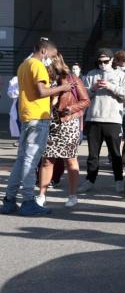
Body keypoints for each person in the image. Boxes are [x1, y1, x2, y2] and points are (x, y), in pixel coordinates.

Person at [2, 38, 72, 215]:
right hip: (37, 117)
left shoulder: (23, 65)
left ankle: (9, 200)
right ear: (43, 51)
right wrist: (62, 88)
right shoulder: (38, 65)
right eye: (52, 55)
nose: (52, 59)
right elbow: (42, 91)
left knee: (21, 159)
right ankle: (28, 201)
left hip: (26, 115)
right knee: (31, 160)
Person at [77, 49, 125, 195]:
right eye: (100, 62)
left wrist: (111, 86)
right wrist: (94, 89)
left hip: (113, 119)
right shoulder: (91, 74)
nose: (103, 64)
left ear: (112, 60)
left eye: (106, 61)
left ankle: (119, 180)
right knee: (92, 154)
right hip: (93, 119)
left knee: (115, 153)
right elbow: (82, 95)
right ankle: (89, 180)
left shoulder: (121, 74)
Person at [36, 54, 89, 208]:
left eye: (48, 63)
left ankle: (73, 195)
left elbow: (85, 100)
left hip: (68, 123)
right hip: (48, 122)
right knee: (47, 160)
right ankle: (41, 195)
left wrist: (70, 109)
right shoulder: (43, 79)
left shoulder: (72, 79)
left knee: (70, 160)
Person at [6, 75, 19, 140]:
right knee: (19, 122)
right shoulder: (15, 79)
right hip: (19, 104)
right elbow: (10, 93)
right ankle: (20, 139)